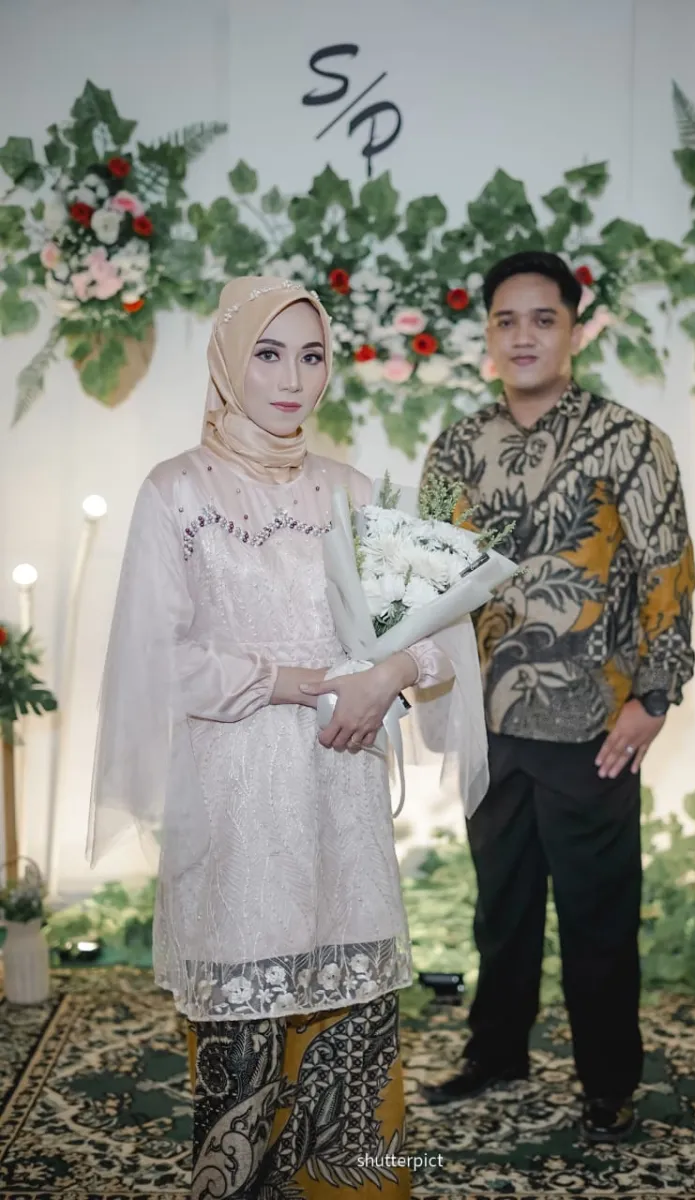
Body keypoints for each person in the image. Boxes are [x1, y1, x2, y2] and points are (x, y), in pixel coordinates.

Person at [87, 275, 476, 1199]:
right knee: (245, 1049)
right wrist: (302, 681)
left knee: (352, 1035)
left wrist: (383, 676)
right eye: (268, 354)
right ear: (229, 361)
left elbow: (440, 638)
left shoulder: (350, 489)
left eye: (311, 356)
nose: (292, 378)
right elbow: (158, 657)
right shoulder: (175, 491)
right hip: (234, 803)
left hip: (341, 794)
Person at [419, 251, 695, 1142]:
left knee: (597, 919)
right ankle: (496, 1052)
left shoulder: (629, 440)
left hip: (593, 722)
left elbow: (667, 571)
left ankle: (608, 1083)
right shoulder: (457, 447)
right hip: (489, 719)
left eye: (543, 319)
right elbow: (429, 581)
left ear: (575, 330)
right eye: (506, 320)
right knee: (499, 912)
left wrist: (655, 696)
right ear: (489, 335)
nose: (524, 336)